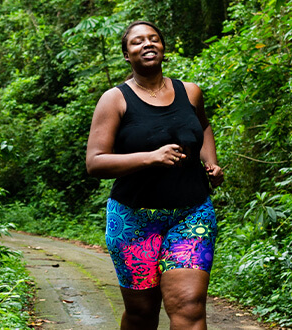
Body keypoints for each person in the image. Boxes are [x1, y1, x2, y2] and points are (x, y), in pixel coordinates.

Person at [85, 20, 224, 330]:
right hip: (133, 219)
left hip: (191, 213)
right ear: (126, 55)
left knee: (189, 308)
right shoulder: (115, 100)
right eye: (137, 42)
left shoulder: (190, 92)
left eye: (153, 39)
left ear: (163, 48)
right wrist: (150, 158)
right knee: (142, 315)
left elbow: (203, 126)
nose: (147, 44)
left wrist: (211, 163)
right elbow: (95, 163)